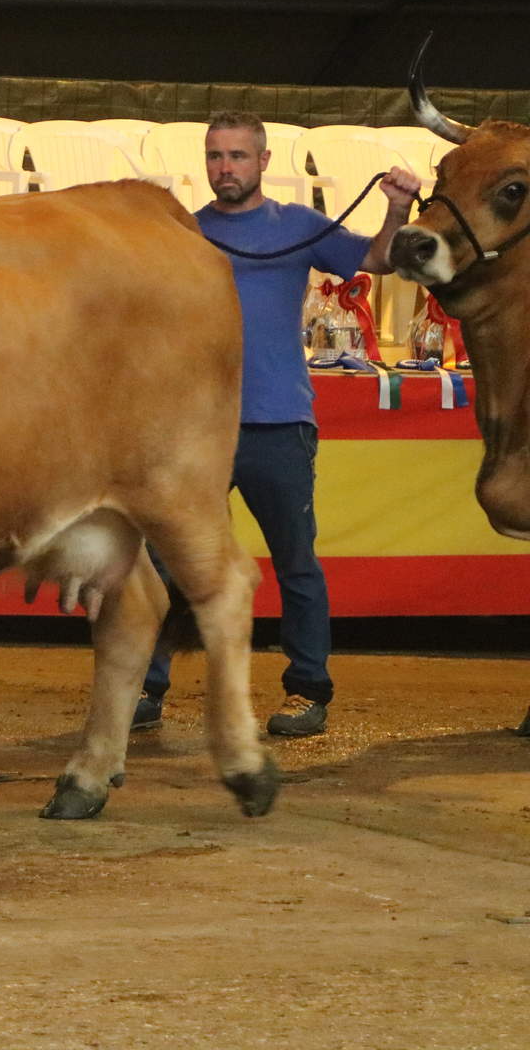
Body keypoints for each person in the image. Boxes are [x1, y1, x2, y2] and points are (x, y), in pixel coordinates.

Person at [134, 111, 418, 739]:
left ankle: (307, 690)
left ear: (263, 162)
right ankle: (144, 688)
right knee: (162, 561)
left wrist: (397, 209)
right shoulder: (182, 232)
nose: (225, 167)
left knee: (295, 562)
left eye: (237, 155)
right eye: (215, 156)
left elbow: (377, 258)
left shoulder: (299, 226)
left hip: (278, 422)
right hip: (196, 432)